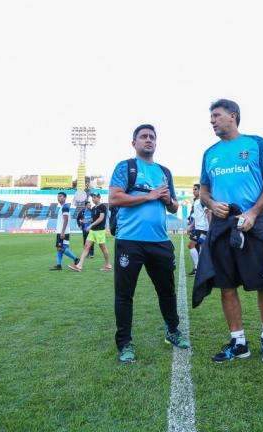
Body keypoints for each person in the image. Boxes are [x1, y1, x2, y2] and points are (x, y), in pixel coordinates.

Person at [193, 99, 263, 365]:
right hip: (221, 226)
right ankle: (239, 343)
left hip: (253, 223)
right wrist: (212, 204)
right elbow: (204, 191)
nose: (212, 121)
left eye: (216, 115)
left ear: (233, 116)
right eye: (211, 117)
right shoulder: (209, 153)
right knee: (226, 286)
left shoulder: (256, 144)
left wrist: (252, 212)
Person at [108, 124, 189, 363]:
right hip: (129, 241)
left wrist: (168, 199)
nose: (148, 140)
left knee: (167, 291)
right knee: (125, 295)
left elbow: (174, 206)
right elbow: (114, 198)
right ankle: (125, 344)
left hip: (160, 241)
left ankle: (172, 331)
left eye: (152, 137)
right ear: (134, 143)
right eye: (143, 137)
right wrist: (149, 195)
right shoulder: (126, 167)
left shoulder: (164, 172)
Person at [68, 193, 112, 272]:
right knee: (86, 246)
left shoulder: (102, 207)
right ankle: (79, 266)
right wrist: (85, 221)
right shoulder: (94, 208)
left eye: (94, 198)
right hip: (93, 231)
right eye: (92, 198)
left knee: (103, 248)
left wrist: (91, 225)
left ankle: (108, 264)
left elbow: (100, 218)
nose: (93, 199)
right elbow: (93, 219)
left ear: (99, 198)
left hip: (99, 231)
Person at [49, 192, 79, 270]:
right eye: (58, 196)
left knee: (60, 248)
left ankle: (76, 259)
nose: (59, 198)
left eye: (60, 196)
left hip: (63, 231)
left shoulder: (65, 207)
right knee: (60, 248)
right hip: (63, 231)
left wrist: (62, 232)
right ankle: (59, 265)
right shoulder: (62, 207)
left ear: (65, 198)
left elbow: (65, 220)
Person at [187, 183, 209, 276]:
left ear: (200, 190)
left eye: (195, 189)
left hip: (203, 228)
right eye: (193, 189)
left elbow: (208, 212)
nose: (193, 191)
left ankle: (198, 268)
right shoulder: (196, 201)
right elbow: (196, 217)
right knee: (202, 248)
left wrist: (211, 227)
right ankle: (203, 268)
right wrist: (191, 226)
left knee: (191, 245)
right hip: (198, 228)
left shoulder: (202, 201)